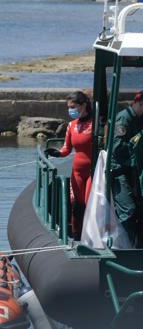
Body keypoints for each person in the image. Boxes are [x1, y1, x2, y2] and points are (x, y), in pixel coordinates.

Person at [110, 91, 143, 243]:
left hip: (132, 171)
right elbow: (117, 148)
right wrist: (137, 147)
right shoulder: (124, 119)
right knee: (128, 209)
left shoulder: (138, 120)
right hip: (119, 170)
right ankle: (125, 246)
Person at [45, 91, 93, 240]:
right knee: (76, 205)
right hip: (77, 171)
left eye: (73, 106)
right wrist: (56, 153)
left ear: (83, 105)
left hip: (93, 170)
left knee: (89, 203)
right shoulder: (71, 125)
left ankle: (92, 235)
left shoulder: (96, 124)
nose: (70, 110)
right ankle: (77, 236)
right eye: (68, 107)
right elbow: (66, 149)